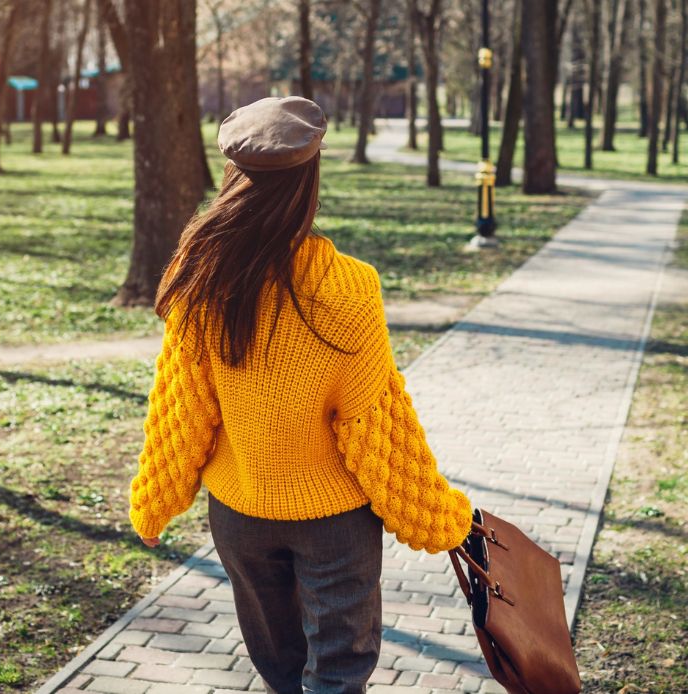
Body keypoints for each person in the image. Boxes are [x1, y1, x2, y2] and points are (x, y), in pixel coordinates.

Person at [127, 96, 474, 694]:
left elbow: (182, 409)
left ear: (234, 176)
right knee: (338, 673)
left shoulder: (200, 275)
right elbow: (375, 424)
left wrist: (155, 502)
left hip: (238, 515)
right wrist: (438, 515)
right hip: (333, 522)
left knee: (282, 671)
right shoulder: (349, 286)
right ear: (308, 179)